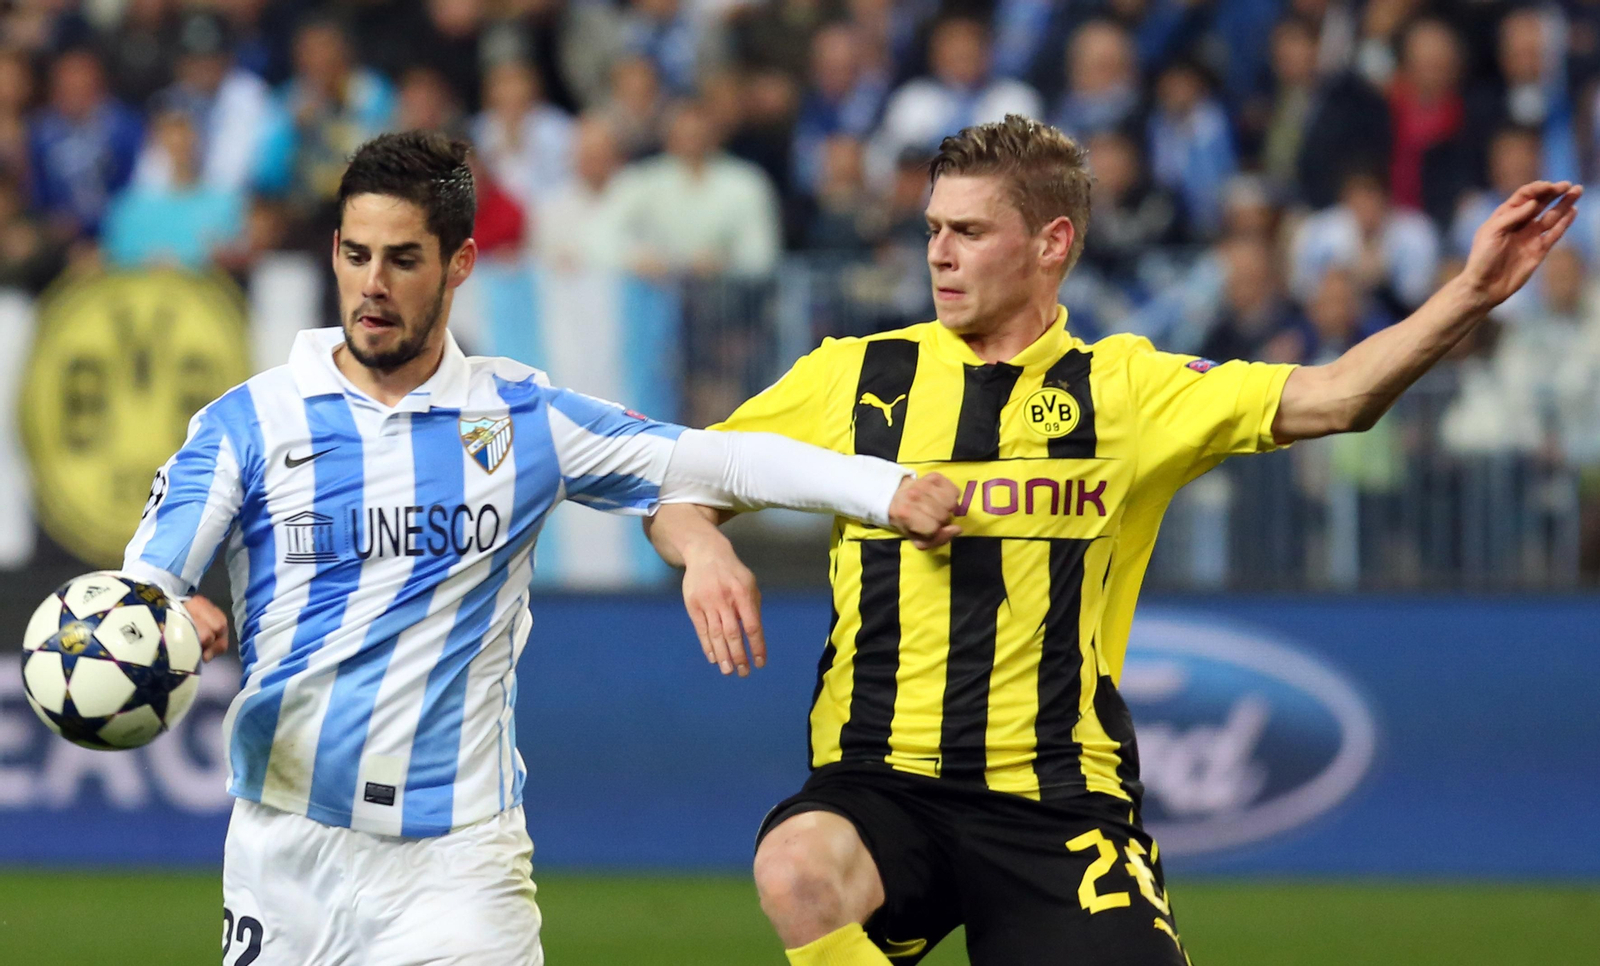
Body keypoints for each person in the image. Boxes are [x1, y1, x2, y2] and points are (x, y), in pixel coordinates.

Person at [645, 113, 1581, 965]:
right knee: (797, 868)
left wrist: (1469, 291)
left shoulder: (1129, 389)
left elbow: (1337, 395)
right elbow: (679, 487)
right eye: (933, 228)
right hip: (880, 786)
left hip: (1057, 802)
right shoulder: (855, 377)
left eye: (969, 232)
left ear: (1052, 244)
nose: (939, 254)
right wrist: (708, 549)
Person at [119, 130, 962, 965]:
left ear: (459, 264)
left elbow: (719, 456)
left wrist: (884, 491)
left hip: (458, 865)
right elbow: (134, 594)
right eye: (357, 254)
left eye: (404, 259)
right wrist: (166, 617)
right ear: (334, 251)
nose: (372, 286)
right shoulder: (247, 424)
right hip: (285, 856)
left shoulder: (522, 419)